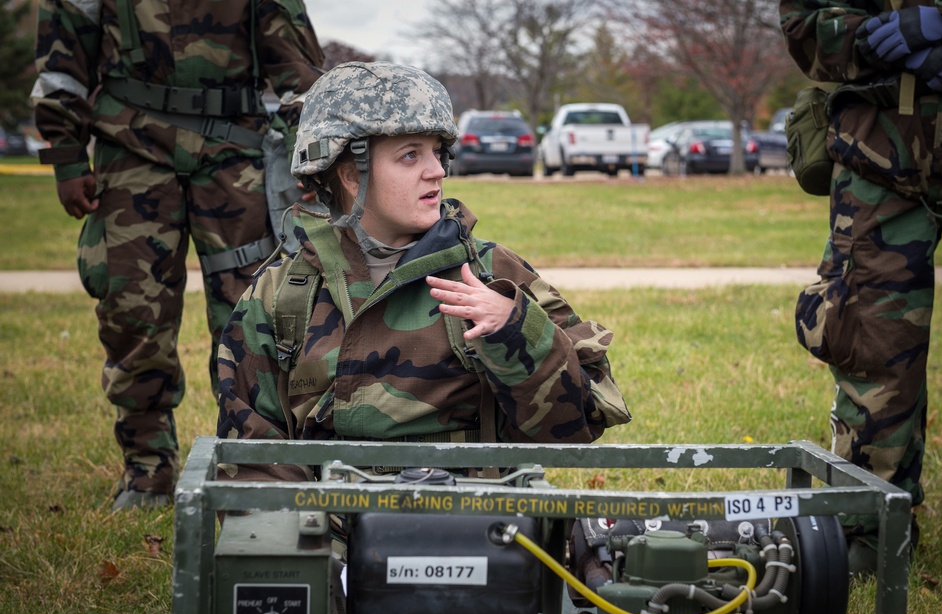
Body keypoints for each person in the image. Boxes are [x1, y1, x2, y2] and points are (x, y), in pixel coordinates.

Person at [215, 60, 631, 486]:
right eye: (410, 155)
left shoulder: (493, 273)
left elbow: (580, 423)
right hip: (330, 531)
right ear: (349, 176)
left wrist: (517, 330)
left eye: (437, 152)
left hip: (476, 525)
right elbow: (251, 459)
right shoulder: (282, 294)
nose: (437, 171)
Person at [31, 0, 325, 509]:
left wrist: (312, 154)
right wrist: (65, 154)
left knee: (256, 315)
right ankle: (148, 470)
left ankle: (253, 468)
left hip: (236, 152)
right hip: (130, 148)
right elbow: (64, 53)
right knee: (132, 314)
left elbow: (295, 62)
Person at [781, 0, 942, 608]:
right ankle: (870, 523)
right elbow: (804, 26)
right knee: (870, 344)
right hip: (877, 163)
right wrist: (898, 45)